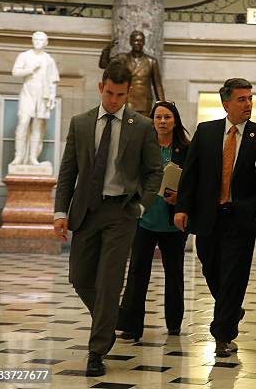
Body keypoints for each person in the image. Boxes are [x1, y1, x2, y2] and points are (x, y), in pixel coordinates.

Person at [53, 61, 162, 377]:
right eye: (110, 93)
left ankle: (96, 351)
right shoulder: (81, 123)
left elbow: (154, 171)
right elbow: (68, 171)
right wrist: (61, 212)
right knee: (80, 278)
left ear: (128, 93)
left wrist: (141, 206)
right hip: (86, 211)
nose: (114, 100)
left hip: (122, 212)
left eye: (121, 95)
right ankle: (110, 319)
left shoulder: (140, 126)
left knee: (109, 281)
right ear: (101, 88)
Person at [173, 78, 256, 358]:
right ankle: (232, 309)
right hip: (208, 216)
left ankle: (222, 335)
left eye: (250, 98)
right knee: (211, 269)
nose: (248, 104)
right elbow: (190, 174)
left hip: (240, 219)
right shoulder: (206, 132)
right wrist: (182, 208)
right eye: (242, 99)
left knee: (233, 277)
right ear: (226, 103)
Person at [117, 101, 190, 342]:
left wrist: (182, 199)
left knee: (174, 273)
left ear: (175, 120)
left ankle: (174, 322)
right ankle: (131, 325)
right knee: (138, 272)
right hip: (144, 219)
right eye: (158, 117)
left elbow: (194, 184)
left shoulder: (186, 149)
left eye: (167, 117)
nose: (162, 122)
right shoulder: (142, 146)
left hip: (173, 222)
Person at [10, 31, 59, 166]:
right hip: (28, 92)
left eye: (41, 40)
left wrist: (52, 96)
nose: (38, 42)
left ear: (46, 42)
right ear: (32, 41)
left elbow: (53, 80)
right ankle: (19, 156)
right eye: (35, 39)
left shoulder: (49, 60)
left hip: (43, 95)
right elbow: (15, 72)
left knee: (38, 126)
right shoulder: (25, 56)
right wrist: (30, 68)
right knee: (24, 122)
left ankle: (32, 157)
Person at [99, 30, 165, 116]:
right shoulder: (122, 58)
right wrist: (106, 50)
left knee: (142, 127)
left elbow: (158, 86)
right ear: (131, 42)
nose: (138, 43)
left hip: (143, 102)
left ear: (144, 42)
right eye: (136, 40)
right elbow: (104, 65)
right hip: (127, 101)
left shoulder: (151, 62)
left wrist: (163, 105)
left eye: (141, 41)